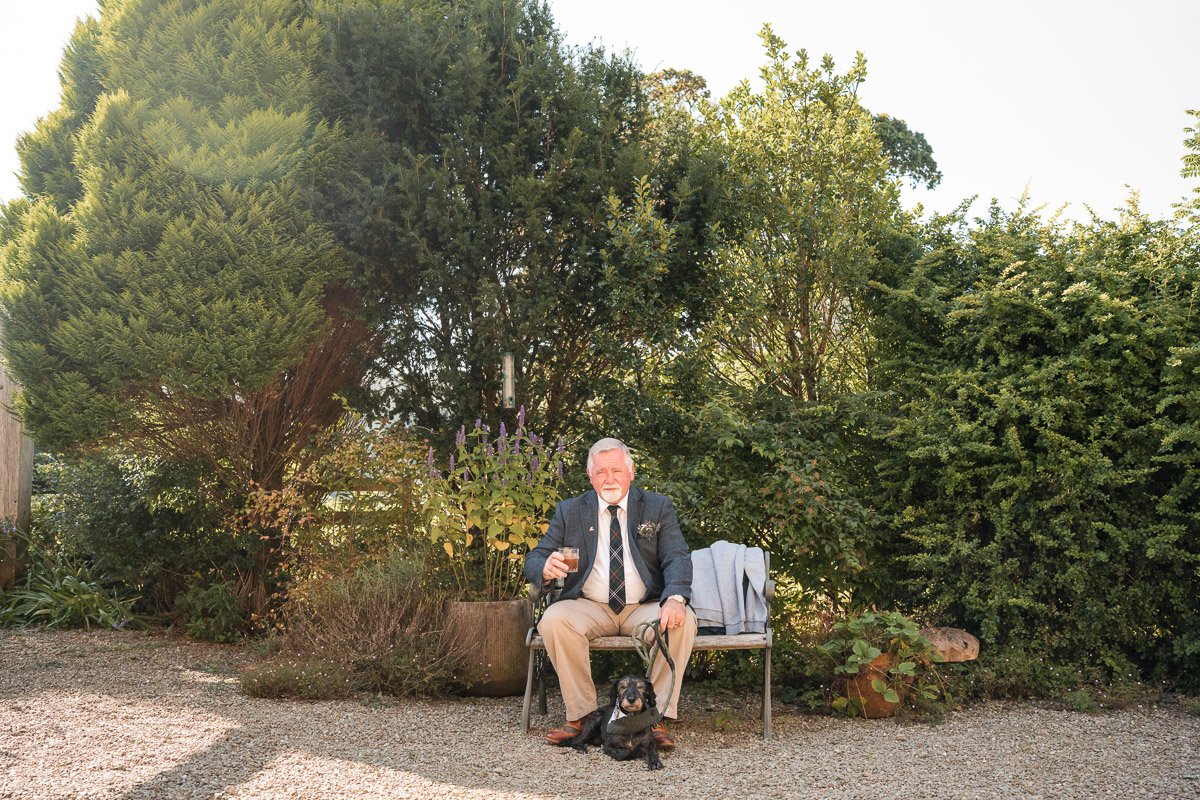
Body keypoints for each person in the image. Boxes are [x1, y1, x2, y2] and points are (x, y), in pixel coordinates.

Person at [524, 437, 697, 750]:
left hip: (643, 605)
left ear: (630, 473)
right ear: (590, 477)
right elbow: (536, 556)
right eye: (601, 472)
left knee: (681, 620)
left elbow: (677, 556)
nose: (609, 478)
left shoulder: (656, 507)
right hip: (590, 605)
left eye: (616, 470)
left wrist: (675, 598)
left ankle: (652, 719)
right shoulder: (570, 511)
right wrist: (544, 566)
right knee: (553, 619)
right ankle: (583, 717)